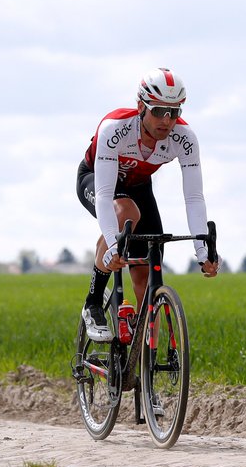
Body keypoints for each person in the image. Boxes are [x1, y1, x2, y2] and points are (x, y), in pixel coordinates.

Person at [77, 67, 219, 342]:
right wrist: (112, 244)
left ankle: (139, 359)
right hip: (97, 179)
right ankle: (93, 304)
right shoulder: (115, 128)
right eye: (158, 111)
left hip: (139, 188)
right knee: (126, 211)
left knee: (147, 270)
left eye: (174, 112)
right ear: (141, 106)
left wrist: (203, 250)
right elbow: (106, 196)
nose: (166, 121)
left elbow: (194, 197)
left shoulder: (185, 138)